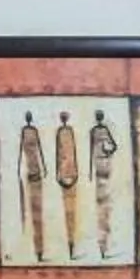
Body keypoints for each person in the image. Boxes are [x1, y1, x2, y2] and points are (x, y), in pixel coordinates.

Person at [15, 110, 49, 262]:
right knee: (33, 212)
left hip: (37, 174)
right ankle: (37, 251)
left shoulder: (34, 131)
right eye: (28, 116)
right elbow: (20, 152)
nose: (29, 118)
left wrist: (45, 167)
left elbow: (40, 149)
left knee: (38, 213)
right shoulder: (24, 131)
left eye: (29, 117)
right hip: (29, 173)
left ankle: (40, 251)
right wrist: (18, 169)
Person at [89, 110, 121, 259]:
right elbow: (112, 146)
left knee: (103, 202)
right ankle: (102, 245)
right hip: (100, 166)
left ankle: (104, 245)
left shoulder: (97, 130)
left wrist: (106, 153)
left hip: (101, 166)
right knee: (102, 202)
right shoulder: (97, 131)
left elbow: (113, 146)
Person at [54, 110, 81, 257]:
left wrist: (76, 174)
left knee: (72, 212)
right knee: (67, 212)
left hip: (72, 174)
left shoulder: (70, 131)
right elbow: (57, 154)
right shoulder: (59, 132)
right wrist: (57, 176)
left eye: (64, 117)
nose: (63, 119)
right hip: (63, 175)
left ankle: (72, 245)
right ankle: (70, 246)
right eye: (62, 117)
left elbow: (74, 152)